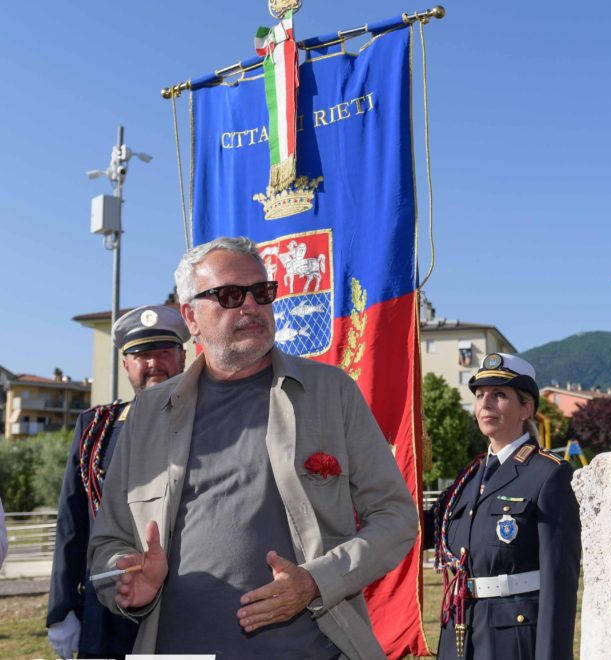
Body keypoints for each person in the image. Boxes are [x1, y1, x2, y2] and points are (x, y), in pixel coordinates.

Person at [89, 236, 417, 659]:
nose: (251, 307)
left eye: (262, 292)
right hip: (178, 648)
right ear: (191, 316)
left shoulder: (330, 393)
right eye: (229, 295)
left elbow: (395, 517)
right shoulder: (150, 413)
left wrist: (316, 582)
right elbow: (107, 544)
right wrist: (127, 580)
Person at [47, 305, 189, 660]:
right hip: (108, 610)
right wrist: (63, 607)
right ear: (126, 365)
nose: (154, 363)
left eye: (164, 352)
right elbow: (72, 525)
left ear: (183, 358)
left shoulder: (209, 423)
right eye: (141, 355)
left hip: (186, 608)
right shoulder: (96, 428)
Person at [430, 353, 580, 660]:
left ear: (526, 408)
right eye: (480, 395)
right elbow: (423, 527)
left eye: (499, 395)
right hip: (459, 633)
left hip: (512, 640)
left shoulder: (548, 474)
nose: (485, 404)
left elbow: (559, 583)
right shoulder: (468, 478)